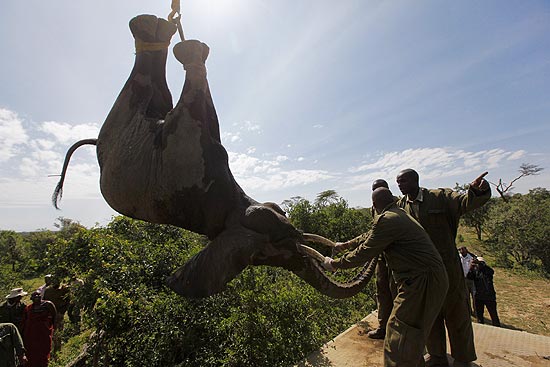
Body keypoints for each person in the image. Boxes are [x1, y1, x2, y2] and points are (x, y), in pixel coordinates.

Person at [325, 187, 449, 367]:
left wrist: (334, 264)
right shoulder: (396, 214)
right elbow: (369, 235)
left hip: (422, 281)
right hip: (426, 279)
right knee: (410, 335)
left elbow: (365, 251)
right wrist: (345, 245)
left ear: (374, 205)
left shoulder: (388, 220)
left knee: (398, 335)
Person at [396, 169, 491, 367]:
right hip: (423, 273)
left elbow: (465, 203)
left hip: (448, 268)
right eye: (398, 182)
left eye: (403, 181)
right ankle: (437, 356)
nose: (400, 185)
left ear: (416, 180)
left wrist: (476, 191)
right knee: (431, 315)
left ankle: (463, 358)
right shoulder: (401, 206)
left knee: (457, 313)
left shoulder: (440, 197)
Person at [368, 179, 398, 339]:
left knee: (397, 293)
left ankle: (397, 331)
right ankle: (383, 327)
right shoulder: (375, 208)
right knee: (382, 292)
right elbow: (374, 233)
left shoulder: (396, 206)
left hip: (397, 258)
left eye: (379, 189)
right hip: (381, 257)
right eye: (373, 189)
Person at [22, 291, 57, 367]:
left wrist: (54, 327)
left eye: (38, 295)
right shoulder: (29, 308)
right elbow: (25, 321)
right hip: (31, 335)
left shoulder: (48, 304)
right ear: (32, 298)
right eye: (35, 296)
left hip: (44, 332)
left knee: (43, 352)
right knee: (32, 353)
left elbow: (54, 316)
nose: (37, 296)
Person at [467, 257, 501, 327]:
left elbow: (491, 271)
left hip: (489, 297)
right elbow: (469, 277)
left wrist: (480, 263)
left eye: (479, 263)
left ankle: (498, 328)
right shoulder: (475, 271)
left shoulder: (487, 271)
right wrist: (471, 267)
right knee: (479, 316)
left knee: (494, 316)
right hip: (479, 296)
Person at [42, 278, 69, 354]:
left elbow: (68, 301)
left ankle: (58, 349)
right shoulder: (48, 290)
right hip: (49, 315)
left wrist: (62, 311)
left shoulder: (64, 289)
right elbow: (44, 301)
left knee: (58, 331)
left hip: (59, 313)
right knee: (51, 332)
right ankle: (51, 349)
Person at [458, 246, 476, 315]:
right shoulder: (458, 257)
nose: (462, 251)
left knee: (474, 296)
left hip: (472, 279)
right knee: (466, 296)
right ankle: (469, 311)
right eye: (460, 250)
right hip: (463, 279)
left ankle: (476, 311)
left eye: (463, 249)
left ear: (466, 250)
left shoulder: (471, 257)